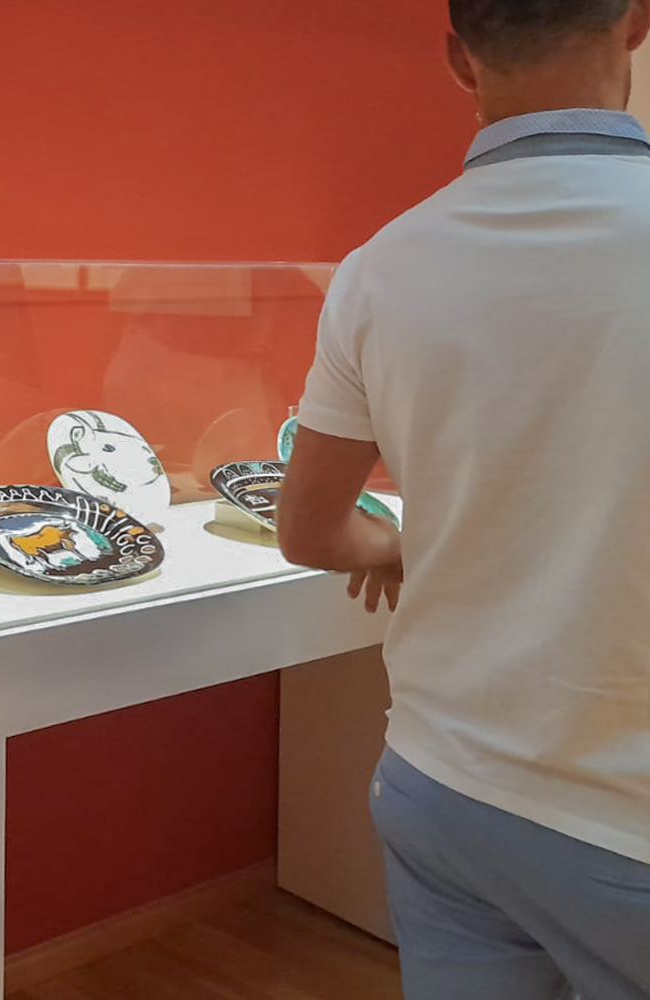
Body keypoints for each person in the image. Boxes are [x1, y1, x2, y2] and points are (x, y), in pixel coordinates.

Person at [276, 1, 650, 997]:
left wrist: (389, 544)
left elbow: (308, 529)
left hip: (444, 786)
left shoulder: (376, 267)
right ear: (634, 24)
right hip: (624, 815)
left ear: (457, 58)